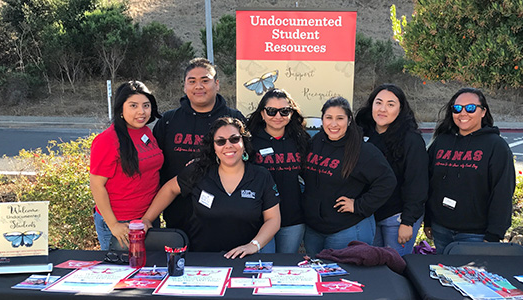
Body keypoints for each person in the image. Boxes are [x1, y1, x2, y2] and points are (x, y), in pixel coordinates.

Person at [142, 117, 281, 259]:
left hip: (245, 260)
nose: (228, 145)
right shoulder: (198, 171)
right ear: (213, 147)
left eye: (234, 139)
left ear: (243, 142)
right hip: (202, 259)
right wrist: (147, 219)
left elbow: (273, 219)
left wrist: (254, 245)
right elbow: (170, 189)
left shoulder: (261, 176)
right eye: (221, 141)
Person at [152, 58, 245, 234]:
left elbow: (247, 163)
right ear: (184, 87)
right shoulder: (169, 121)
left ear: (217, 84)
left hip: (225, 215)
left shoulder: (234, 119)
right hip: (178, 214)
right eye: (192, 81)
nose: (198, 86)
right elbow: (155, 165)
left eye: (205, 80)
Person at [424, 88, 515, 254]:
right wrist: (428, 220)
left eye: (470, 108)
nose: (463, 113)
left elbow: (502, 191)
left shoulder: (496, 146)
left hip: (476, 235)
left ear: (483, 112)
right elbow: (429, 183)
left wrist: (494, 234)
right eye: (457, 108)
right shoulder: (442, 142)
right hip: (440, 229)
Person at [302, 96, 397, 255]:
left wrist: (359, 205)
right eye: (328, 118)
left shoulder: (363, 150)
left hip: (347, 229)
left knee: (343, 278)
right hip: (314, 230)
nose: (333, 124)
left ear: (349, 120)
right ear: (322, 119)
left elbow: (387, 182)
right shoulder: (316, 142)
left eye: (340, 118)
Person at [355, 84, 428, 256]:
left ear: (400, 109)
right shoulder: (362, 134)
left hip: (398, 217)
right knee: (372, 266)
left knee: (395, 269)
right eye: (378, 103)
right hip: (369, 215)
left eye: (390, 104)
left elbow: (417, 183)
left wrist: (408, 222)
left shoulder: (411, 140)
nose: (382, 109)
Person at [90, 81, 164, 250]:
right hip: (121, 224)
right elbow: (96, 184)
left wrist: (149, 217)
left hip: (147, 219)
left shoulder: (146, 132)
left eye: (146, 105)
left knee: (149, 272)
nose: (141, 111)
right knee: (122, 273)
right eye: (133, 105)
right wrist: (114, 225)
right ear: (120, 108)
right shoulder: (107, 140)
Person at [246, 88, 311, 253]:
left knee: (285, 267)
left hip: (293, 218)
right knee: (264, 267)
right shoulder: (248, 141)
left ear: (291, 113)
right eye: (271, 111)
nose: (277, 116)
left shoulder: (301, 140)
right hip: (260, 219)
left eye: (284, 111)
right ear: (262, 113)